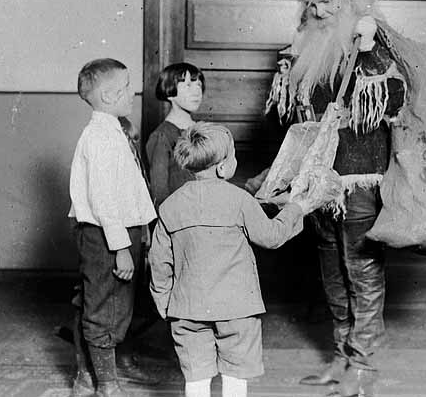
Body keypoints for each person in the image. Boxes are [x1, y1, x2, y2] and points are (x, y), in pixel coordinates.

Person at [262, 0, 412, 397]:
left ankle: (363, 367)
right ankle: (342, 356)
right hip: (317, 178)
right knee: (331, 267)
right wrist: (287, 68)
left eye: (328, 1)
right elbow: (286, 114)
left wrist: (366, 54)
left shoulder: (370, 40)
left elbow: (393, 104)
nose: (319, 10)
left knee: (360, 268)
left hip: (358, 178)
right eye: (312, 2)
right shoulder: (305, 42)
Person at [148, 122, 329, 397]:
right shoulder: (239, 200)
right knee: (235, 377)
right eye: (233, 155)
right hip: (237, 310)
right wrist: (297, 207)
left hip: (187, 309)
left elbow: (160, 264)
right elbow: (272, 236)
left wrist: (165, 304)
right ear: (223, 167)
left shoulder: (171, 206)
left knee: (195, 379)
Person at [68, 58, 157, 397]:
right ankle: (106, 384)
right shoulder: (101, 137)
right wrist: (121, 247)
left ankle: (87, 375)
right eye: (127, 87)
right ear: (107, 96)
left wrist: (141, 230)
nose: (133, 92)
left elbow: (130, 189)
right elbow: (104, 200)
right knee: (106, 307)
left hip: (119, 232)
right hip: (107, 236)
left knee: (100, 301)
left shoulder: (113, 131)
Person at [145, 62, 205, 207]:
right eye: (188, 85)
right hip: (179, 214)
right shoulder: (162, 136)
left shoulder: (203, 130)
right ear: (170, 91)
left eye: (198, 85)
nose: (197, 91)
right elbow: (159, 193)